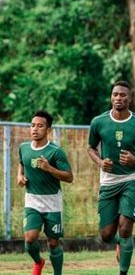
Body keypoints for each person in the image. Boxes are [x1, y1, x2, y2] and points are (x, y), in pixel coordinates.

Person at [87, 81, 135, 275]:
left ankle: (123, 272)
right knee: (106, 235)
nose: (118, 98)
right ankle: (120, 243)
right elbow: (91, 148)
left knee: (126, 228)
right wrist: (100, 162)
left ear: (130, 98)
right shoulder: (98, 122)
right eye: (115, 95)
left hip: (132, 179)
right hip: (109, 181)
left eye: (123, 95)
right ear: (111, 97)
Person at [18, 110, 73, 275]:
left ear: (48, 129)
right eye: (33, 125)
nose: (35, 129)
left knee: (53, 242)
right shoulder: (24, 147)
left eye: (40, 126)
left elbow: (69, 177)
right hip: (32, 200)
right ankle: (38, 262)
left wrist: (49, 168)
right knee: (30, 238)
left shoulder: (56, 152)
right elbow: (22, 162)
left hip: (52, 202)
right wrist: (20, 175)